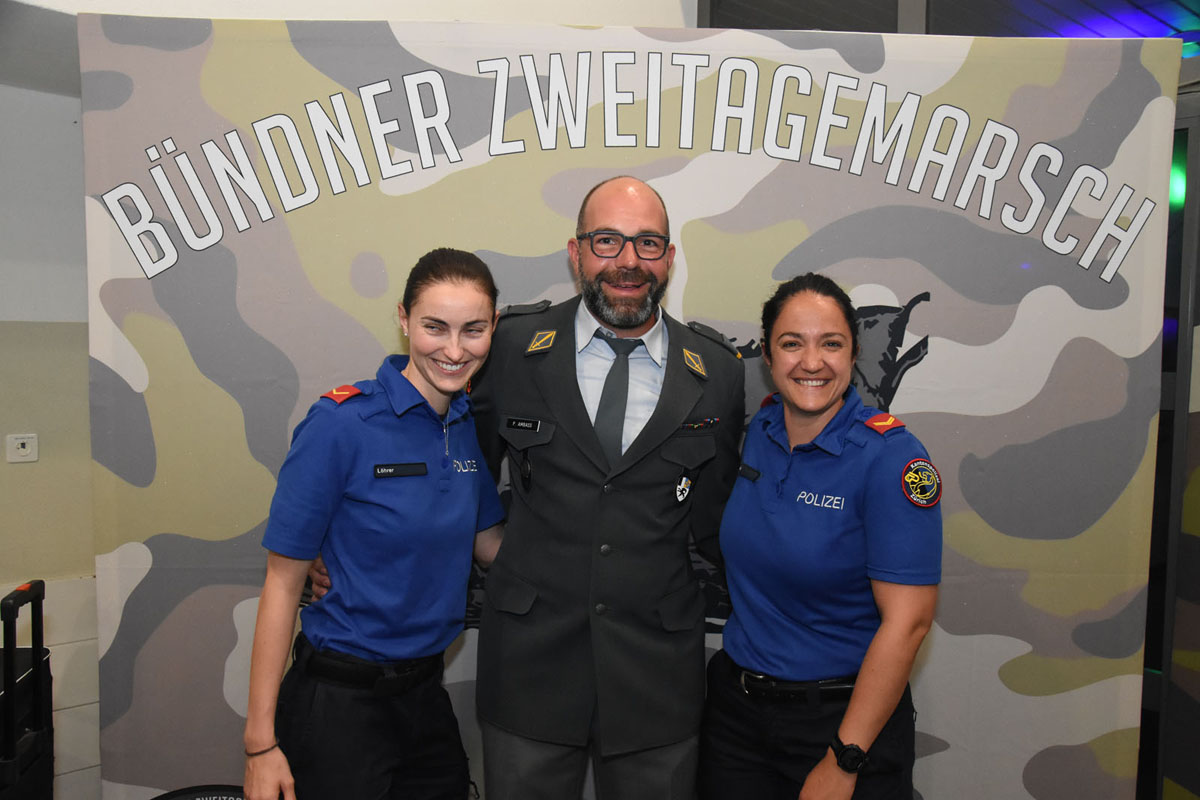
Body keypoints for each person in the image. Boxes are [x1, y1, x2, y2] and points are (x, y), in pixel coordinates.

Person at [468, 176, 745, 800]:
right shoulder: (510, 347)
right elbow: (458, 475)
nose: (627, 261)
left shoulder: (717, 372)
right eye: (606, 241)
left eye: (647, 243)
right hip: (529, 663)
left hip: (657, 672)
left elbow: (720, 523)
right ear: (576, 253)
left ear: (669, 258)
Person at [242, 248, 506, 800]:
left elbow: (491, 546)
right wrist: (260, 744)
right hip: (340, 701)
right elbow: (283, 583)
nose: (454, 350)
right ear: (404, 319)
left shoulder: (462, 424)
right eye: (435, 327)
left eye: (473, 330)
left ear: (493, 328)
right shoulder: (341, 423)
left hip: (425, 696)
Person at [698, 273, 942, 800]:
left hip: (842, 723)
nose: (812, 362)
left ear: (854, 353)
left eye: (831, 343)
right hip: (736, 720)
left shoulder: (891, 458)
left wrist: (845, 758)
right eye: (792, 344)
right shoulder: (761, 433)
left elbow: (909, 623)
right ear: (768, 355)